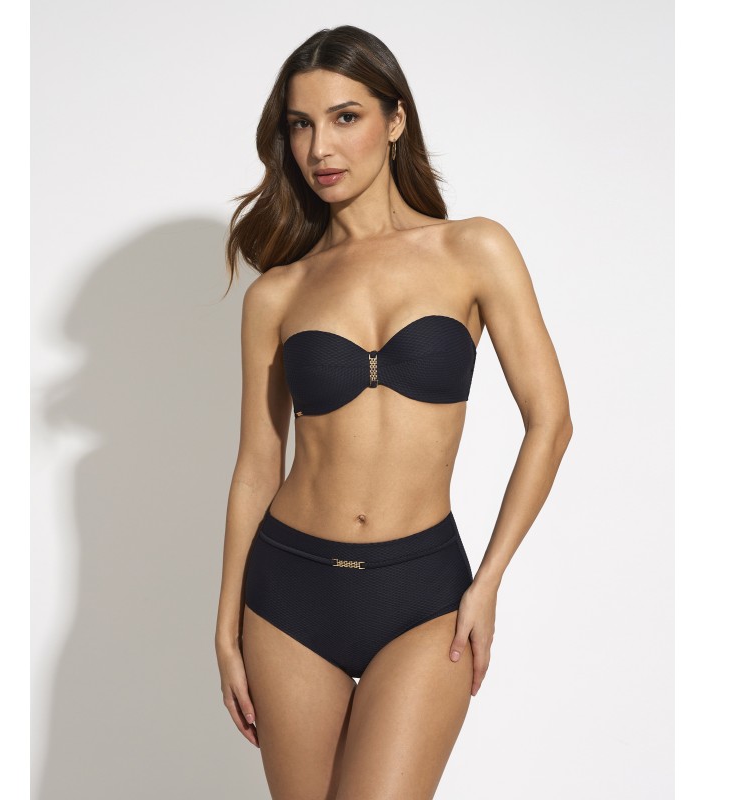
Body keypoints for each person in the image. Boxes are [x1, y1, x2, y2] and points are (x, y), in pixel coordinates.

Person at [214, 24, 573, 800]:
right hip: (287, 592)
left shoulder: (475, 249)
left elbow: (551, 422)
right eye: (300, 125)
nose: (320, 147)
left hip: (422, 592)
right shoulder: (277, 293)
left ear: (396, 119)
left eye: (345, 117)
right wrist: (224, 626)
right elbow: (256, 466)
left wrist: (489, 581)